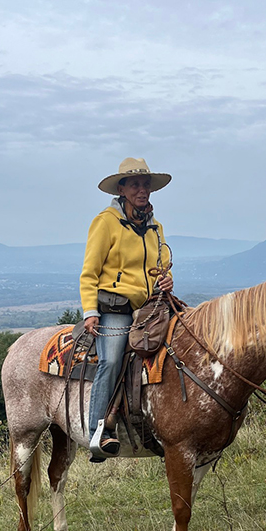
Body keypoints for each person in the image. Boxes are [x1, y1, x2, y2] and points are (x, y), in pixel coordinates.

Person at [80, 157, 174, 461]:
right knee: (110, 360)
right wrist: (90, 311)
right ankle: (98, 433)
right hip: (116, 308)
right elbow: (89, 273)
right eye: (135, 184)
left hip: (151, 306)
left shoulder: (155, 227)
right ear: (121, 189)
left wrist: (166, 279)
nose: (142, 190)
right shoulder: (105, 222)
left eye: (145, 184)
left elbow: (161, 265)